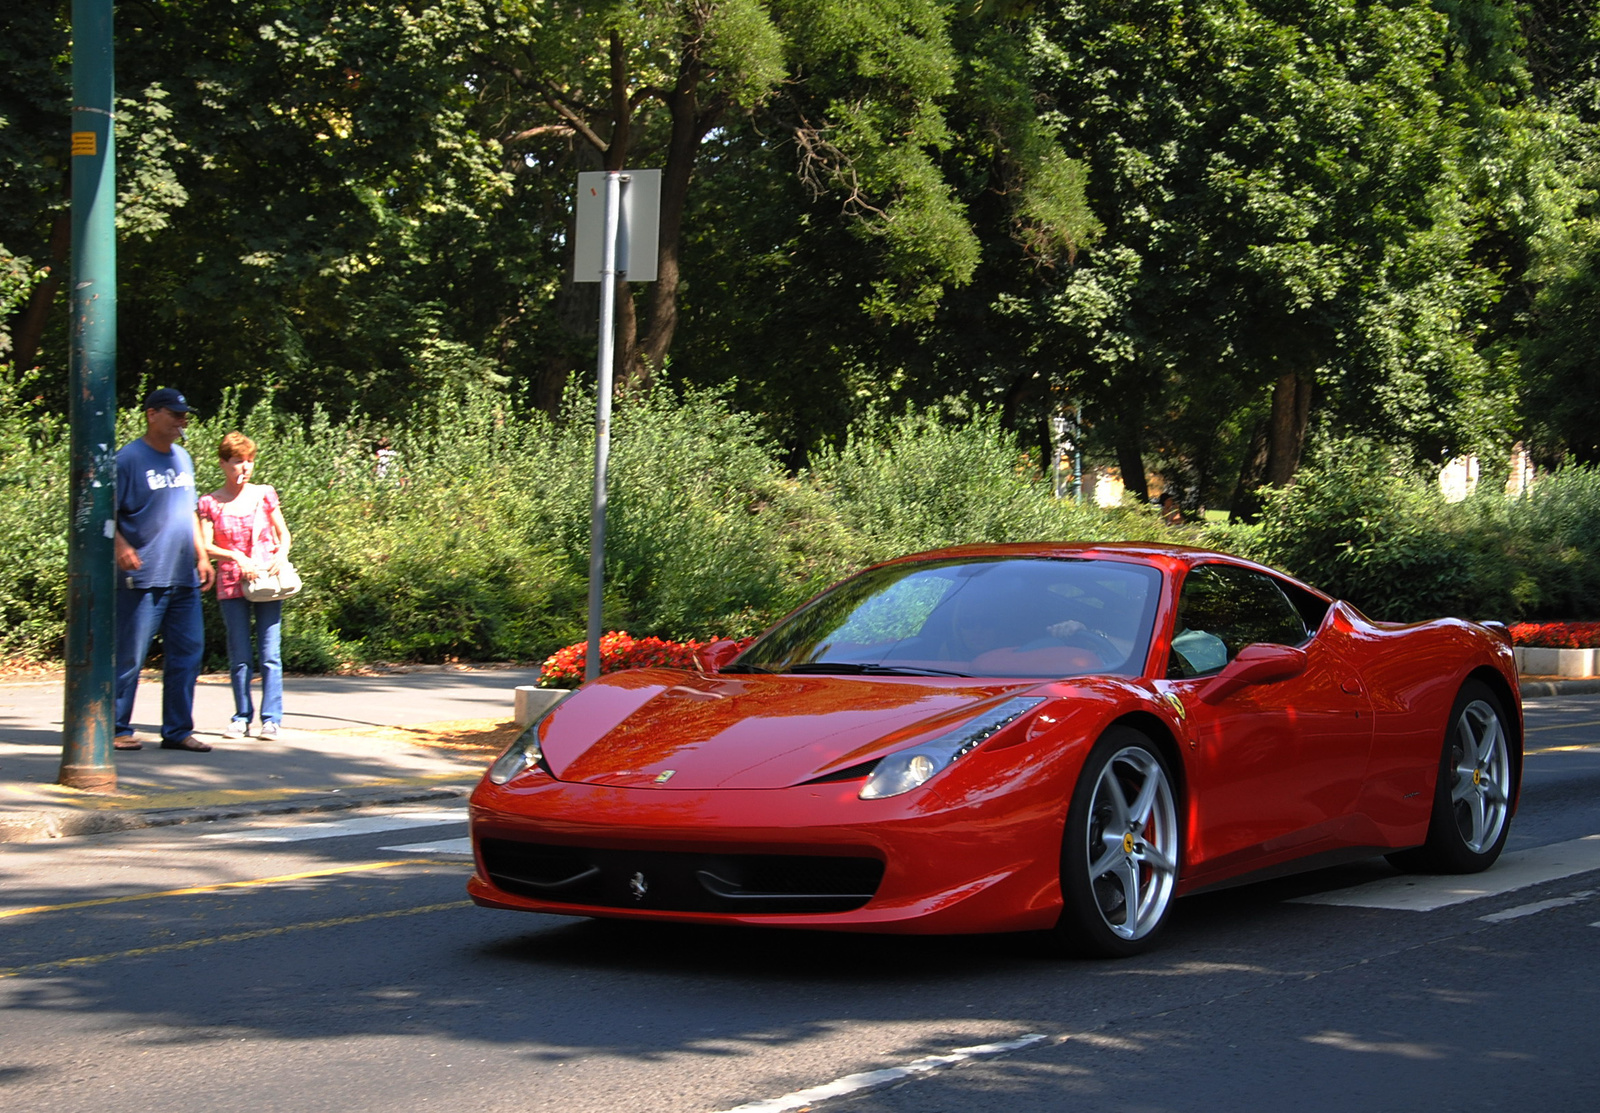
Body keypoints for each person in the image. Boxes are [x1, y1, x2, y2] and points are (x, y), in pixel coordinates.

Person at [113, 387, 215, 752]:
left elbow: (190, 512)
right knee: (130, 654)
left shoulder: (182, 458)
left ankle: (177, 731)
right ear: (152, 414)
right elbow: (104, 513)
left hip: (182, 575)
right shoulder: (128, 459)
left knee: (188, 652)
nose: (181, 421)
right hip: (143, 575)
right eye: (174, 414)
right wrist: (121, 546)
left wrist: (202, 556)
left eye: (184, 415)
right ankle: (115, 727)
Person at [198, 432, 292, 739]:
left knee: (269, 653)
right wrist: (235, 555)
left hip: (266, 580)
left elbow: (284, 533)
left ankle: (271, 719)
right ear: (224, 463)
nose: (245, 467)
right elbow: (204, 545)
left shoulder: (264, 494)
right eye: (238, 461)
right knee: (239, 654)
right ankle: (241, 716)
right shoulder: (210, 503)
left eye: (249, 461)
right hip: (231, 582)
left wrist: (282, 553)